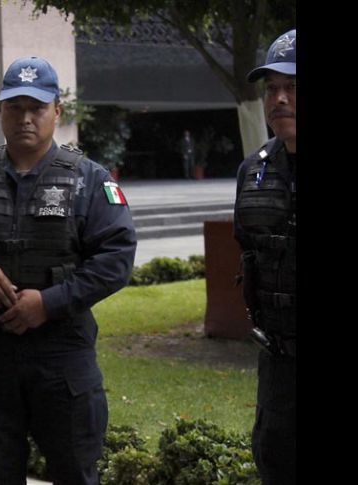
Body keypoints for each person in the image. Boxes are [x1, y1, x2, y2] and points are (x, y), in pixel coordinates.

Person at [0, 56, 137, 484]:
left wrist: (49, 303)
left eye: (37, 107)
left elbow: (116, 258)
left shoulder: (90, 180)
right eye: (14, 107)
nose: (25, 118)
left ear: (57, 111)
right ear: (1, 111)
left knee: (75, 473)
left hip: (62, 354)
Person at [234, 29, 296, 485]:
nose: (279, 99)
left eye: (292, 86)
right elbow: (248, 250)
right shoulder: (254, 169)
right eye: (272, 88)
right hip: (279, 364)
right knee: (276, 462)